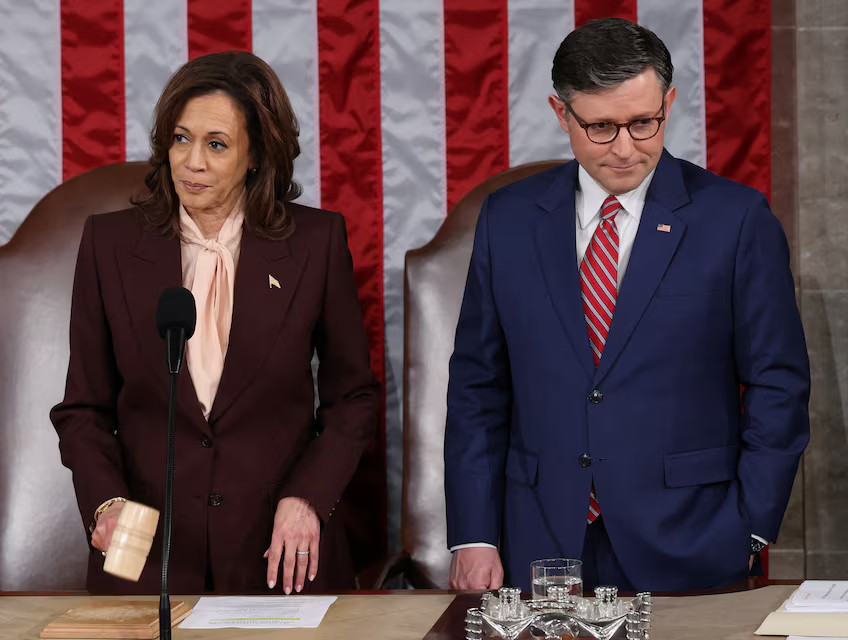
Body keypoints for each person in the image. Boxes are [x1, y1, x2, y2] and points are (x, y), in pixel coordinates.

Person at [444, 17, 809, 593]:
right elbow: (477, 387)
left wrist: (751, 529)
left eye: (643, 123)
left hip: (693, 541)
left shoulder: (736, 221)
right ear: (561, 113)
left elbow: (778, 385)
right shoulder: (507, 221)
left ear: (668, 102)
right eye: (600, 127)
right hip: (537, 542)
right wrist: (474, 535)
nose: (624, 149)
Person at [50, 51, 380, 595]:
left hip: (279, 557)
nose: (191, 162)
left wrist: (308, 499)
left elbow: (353, 399)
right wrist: (106, 503)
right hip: (148, 562)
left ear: (257, 154)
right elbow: (83, 407)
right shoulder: (109, 245)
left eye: (216, 144)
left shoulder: (315, 244)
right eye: (181, 140)